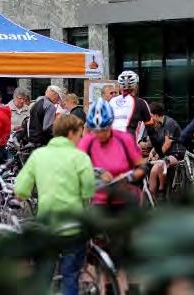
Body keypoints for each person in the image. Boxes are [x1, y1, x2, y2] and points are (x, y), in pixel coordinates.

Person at [15, 114, 95, 295]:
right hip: (74, 227)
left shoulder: (39, 155)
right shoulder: (80, 158)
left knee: (43, 275)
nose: (81, 138)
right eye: (80, 134)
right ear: (72, 133)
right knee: (70, 276)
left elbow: (21, 190)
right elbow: (89, 191)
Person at [78, 99, 145, 294]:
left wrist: (131, 175)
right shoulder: (88, 141)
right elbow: (79, 167)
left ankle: (132, 286)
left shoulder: (124, 139)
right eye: (96, 130)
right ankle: (106, 286)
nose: (100, 135)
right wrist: (95, 173)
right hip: (100, 199)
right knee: (101, 247)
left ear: (111, 125)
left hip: (125, 198)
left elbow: (141, 166)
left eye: (104, 130)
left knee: (127, 246)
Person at [146, 102, 185, 196]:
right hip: (166, 154)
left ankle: (161, 191)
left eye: (150, 116)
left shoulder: (169, 123)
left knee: (159, 164)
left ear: (155, 115)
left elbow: (167, 144)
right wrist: (152, 153)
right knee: (153, 171)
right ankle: (151, 197)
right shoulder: (157, 125)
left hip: (176, 153)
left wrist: (157, 155)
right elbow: (158, 142)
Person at [109, 71, 153, 137]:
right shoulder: (141, 102)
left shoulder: (112, 101)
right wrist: (159, 146)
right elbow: (151, 130)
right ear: (136, 86)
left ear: (120, 87)